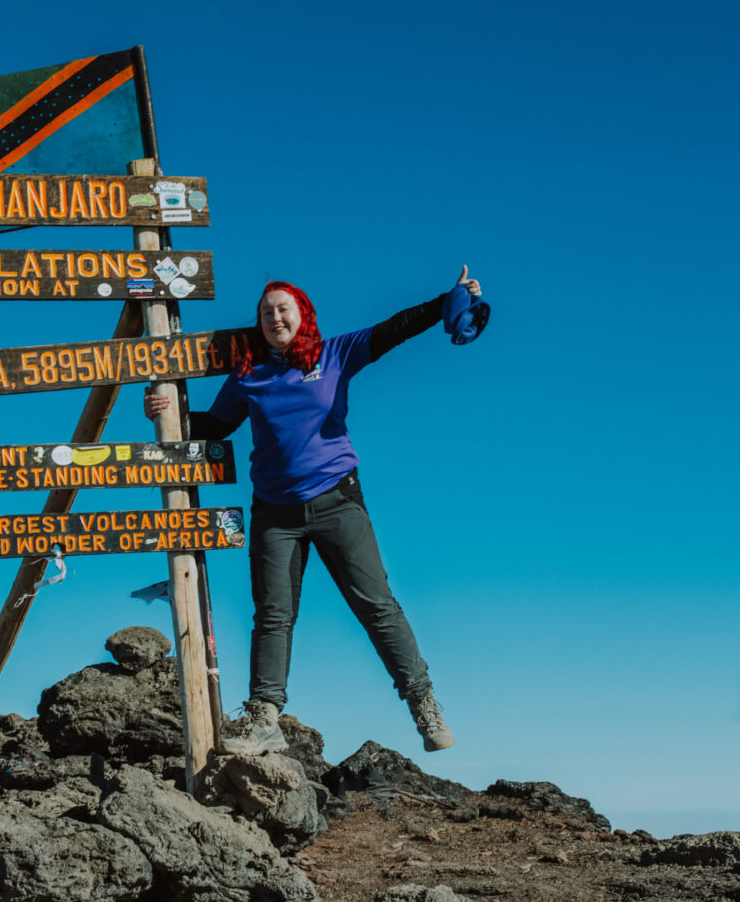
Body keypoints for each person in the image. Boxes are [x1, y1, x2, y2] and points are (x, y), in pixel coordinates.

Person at [144, 268, 486, 753]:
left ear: (303, 314)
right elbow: (214, 428)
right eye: (266, 312)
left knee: (376, 606)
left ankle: (423, 706)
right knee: (273, 615)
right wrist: (167, 410)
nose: (275, 317)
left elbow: (396, 328)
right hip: (275, 515)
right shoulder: (249, 374)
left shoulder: (335, 354)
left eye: (284, 308)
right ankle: (264, 718)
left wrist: (448, 299)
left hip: (337, 502)